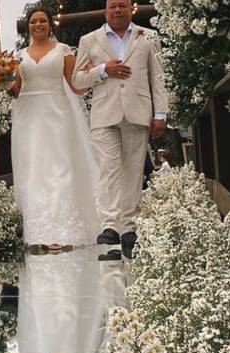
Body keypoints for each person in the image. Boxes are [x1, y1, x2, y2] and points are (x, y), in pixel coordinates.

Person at [73, 0, 169, 259]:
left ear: (130, 9)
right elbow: (77, 80)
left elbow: (157, 77)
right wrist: (104, 70)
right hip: (104, 114)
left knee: (133, 170)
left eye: (122, 6)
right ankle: (109, 225)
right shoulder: (89, 40)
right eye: (113, 6)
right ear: (106, 11)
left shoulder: (148, 36)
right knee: (108, 169)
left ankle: (129, 227)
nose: (117, 10)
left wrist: (160, 114)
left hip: (138, 112)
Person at [9, 7, 102, 253]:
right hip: (28, 115)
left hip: (57, 113)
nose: (37, 25)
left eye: (42, 21)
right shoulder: (20, 55)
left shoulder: (63, 51)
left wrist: (96, 74)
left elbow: (76, 86)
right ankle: (35, 231)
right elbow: (17, 88)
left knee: (60, 169)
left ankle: (61, 230)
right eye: (33, 22)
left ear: (50, 25)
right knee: (33, 171)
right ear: (28, 27)